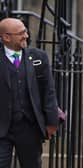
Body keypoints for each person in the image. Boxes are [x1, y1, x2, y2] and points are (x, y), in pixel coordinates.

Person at [0, 18, 59, 168]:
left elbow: (49, 91)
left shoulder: (39, 57)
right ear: (6, 37)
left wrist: (52, 122)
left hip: (29, 127)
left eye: (25, 31)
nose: (26, 35)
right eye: (20, 33)